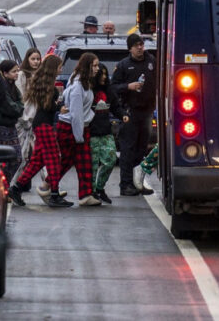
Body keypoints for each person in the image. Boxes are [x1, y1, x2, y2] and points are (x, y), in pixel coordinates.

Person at [7, 54, 73, 208]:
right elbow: (48, 107)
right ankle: (54, 194)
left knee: (37, 161)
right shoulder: (49, 86)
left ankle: (15, 188)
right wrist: (59, 108)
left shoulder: (42, 82)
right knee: (54, 160)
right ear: (53, 68)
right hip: (45, 126)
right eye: (59, 66)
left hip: (40, 124)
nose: (61, 69)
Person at [52, 52, 101, 206]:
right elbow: (76, 114)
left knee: (84, 161)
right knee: (66, 161)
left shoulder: (83, 82)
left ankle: (85, 195)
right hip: (71, 128)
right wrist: (78, 136)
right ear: (87, 66)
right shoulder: (78, 86)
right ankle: (48, 184)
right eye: (94, 65)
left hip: (79, 128)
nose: (97, 69)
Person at [112, 33, 156, 196]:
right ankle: (125, 185)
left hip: (147, 112)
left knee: (141, 149)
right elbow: (113, 87)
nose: (140, 47)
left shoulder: (151, 61)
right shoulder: (124, 65)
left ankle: (138, 183)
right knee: (127, 149)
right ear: (130, 48)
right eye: (136, 45)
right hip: (130, 112)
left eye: (141, 44)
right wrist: (128, 87)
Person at [89, 63, 126, 204]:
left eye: (105, 74)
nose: (104, 77)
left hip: (105, 130)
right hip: (91, 131)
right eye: (101, 74)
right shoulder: (88, 90)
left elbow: (116, 106)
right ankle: (91, 192)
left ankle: (100, 187)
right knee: (92, 164)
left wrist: (123, 115)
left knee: (110, 160)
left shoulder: (109, 90)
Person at [0, 59, 24, 181]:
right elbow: (10, 107)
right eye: (14, 71)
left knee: (17, 159)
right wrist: (18, 108)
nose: (16, 74)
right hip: (0, 127)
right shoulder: (1, 88)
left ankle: (5, 184)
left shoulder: (14, 87)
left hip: (11, 126)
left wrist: (18, 108)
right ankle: (1, 186)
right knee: (1, 161)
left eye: (17, 71)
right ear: (5, 73)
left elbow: (20, 103)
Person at [13, 47, 42, 191]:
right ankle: (15, 185)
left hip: (37, 119)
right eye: (33, 59)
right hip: (24, 119)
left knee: (39, 153)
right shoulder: (22, 75)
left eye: (38, 59)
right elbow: (20, 96)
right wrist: (23, 117)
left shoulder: (41, 75)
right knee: (23, 154)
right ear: (27, 59)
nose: (36, 62)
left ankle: (46, 185)